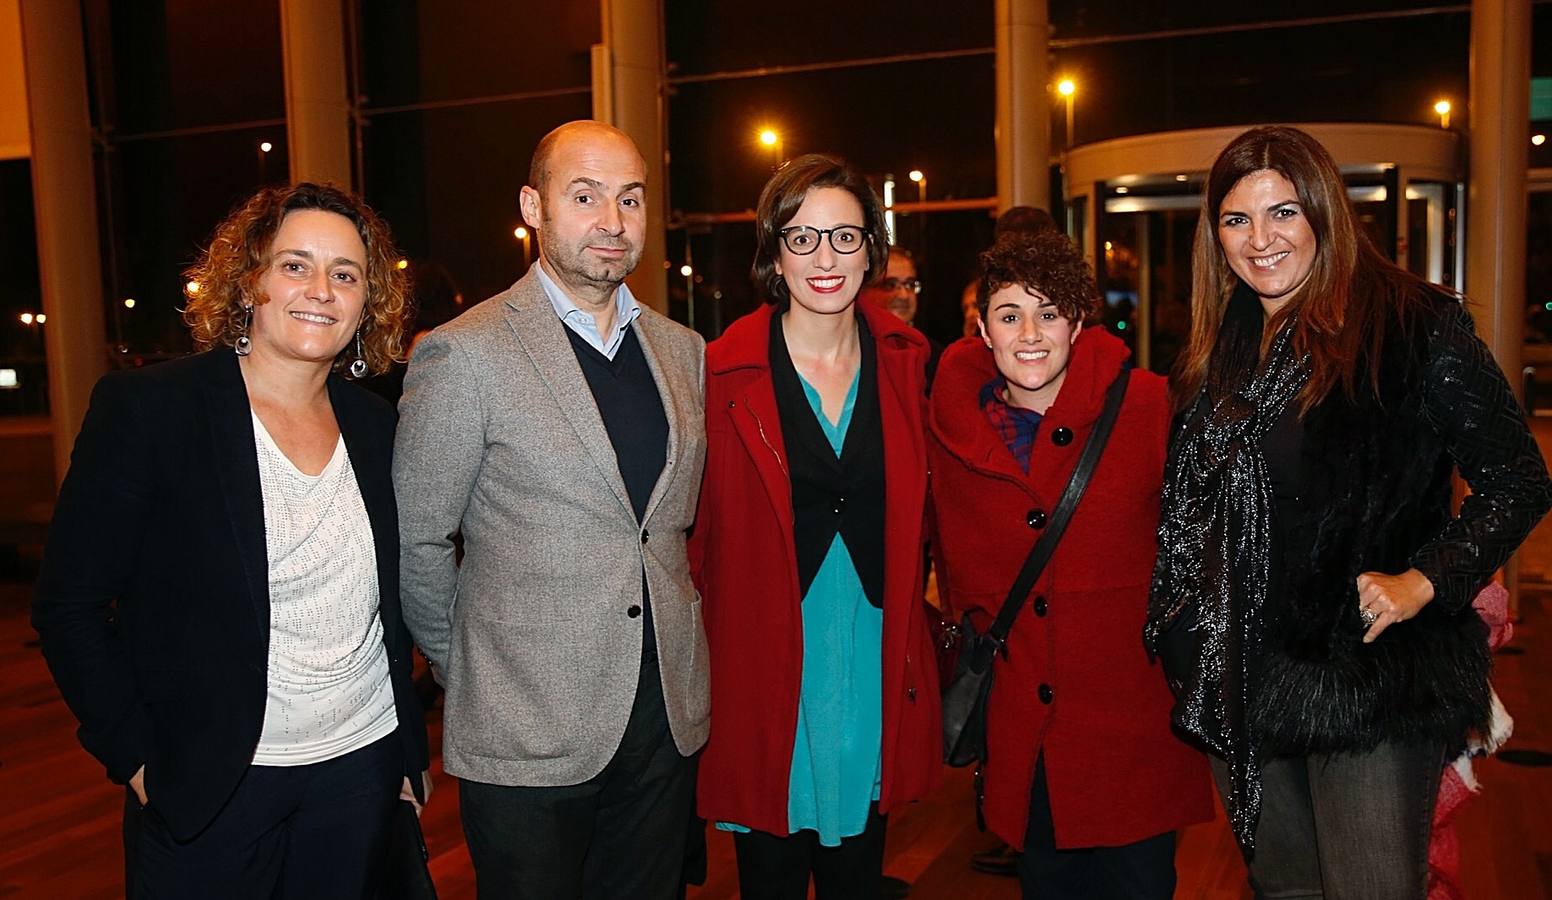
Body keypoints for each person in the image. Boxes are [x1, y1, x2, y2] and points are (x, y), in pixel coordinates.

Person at [1145, 125, 1552, 899]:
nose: (1260, 240)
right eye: (1237, 220)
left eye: (1283, 213)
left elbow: (1518, 479)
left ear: (1325, 213)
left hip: (1366, 675)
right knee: (1286, 891)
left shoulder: (1411, 325)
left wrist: (1423, 581)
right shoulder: (1218, 346)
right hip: (1236, 674)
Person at [32, 182, 431, 898]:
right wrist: (138, 761)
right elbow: (70, 606)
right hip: (211, 786)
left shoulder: (377, 427)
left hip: (359, 776)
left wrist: (401, 760)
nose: (321, 290)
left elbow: (390, 610)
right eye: (295, 265)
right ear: (249, 281)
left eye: (345, 274)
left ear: (367, 302)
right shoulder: (153, 411)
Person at [394, 120, 708, 900]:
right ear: (534, 207)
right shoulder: (465, 353)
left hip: (664, 717)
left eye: (629, 199)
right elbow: (418, 539)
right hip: (525, 725)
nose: (612, 220)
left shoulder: (683, 350)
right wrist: (474, 668)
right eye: (585, 195)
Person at [929, 230, 1213, 899]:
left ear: (1078, 323)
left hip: (1133, 739)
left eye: (1048, 312)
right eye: (1009, 315)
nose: (1030, 333)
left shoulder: (1150, 407)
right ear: (982, 329)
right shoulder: (948, 430)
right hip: (1027, 746)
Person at [689, 153, 941, 900]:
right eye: (801, 238)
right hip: (765, 656)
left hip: (869, 650)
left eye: (844, 236)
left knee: (858, 871)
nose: (824, 257)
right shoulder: (718, 374)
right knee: (769, 869)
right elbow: (695, 538)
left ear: (873, 248)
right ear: (773, 252)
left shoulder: (908, 363)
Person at [861, 246, 943, 389]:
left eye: (910, 285)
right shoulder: (853, 354)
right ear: (864, 291)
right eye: (889, 285)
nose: (903, 295)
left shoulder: (934, 357)